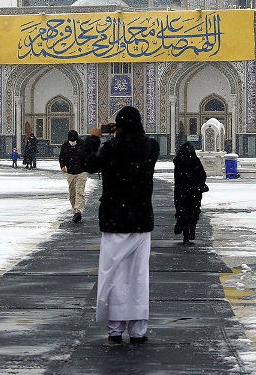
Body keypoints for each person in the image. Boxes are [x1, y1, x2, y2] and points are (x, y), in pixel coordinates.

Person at [82, 106, 159, 345]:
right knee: (138, 276)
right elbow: (142, 140)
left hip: (115, 220)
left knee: (114, 274)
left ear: (118, 126)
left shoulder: (111, 149)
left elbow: (88, 163)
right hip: (140, 221)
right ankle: (138, 330)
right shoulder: (151, 147)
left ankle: (115, 328)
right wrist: (127, 130)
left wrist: (95, 138)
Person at [173, 142, 207, 244]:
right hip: (194, 191)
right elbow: (202, 175)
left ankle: (185, 231)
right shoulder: (195, 161)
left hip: (181, 191)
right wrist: (200, 184)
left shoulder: (179, 161)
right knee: (193, 211)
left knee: (182, 211)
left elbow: (177, 177)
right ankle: (191, 229)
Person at [59, 130, 87, 223]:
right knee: (72, 193)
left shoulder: (82, 145)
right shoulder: (65, 146)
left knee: (79, 191)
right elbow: (62, 157)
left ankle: (78, 211)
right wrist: (62, 166)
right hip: (70, 172)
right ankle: (75, 209)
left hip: (81, 172)